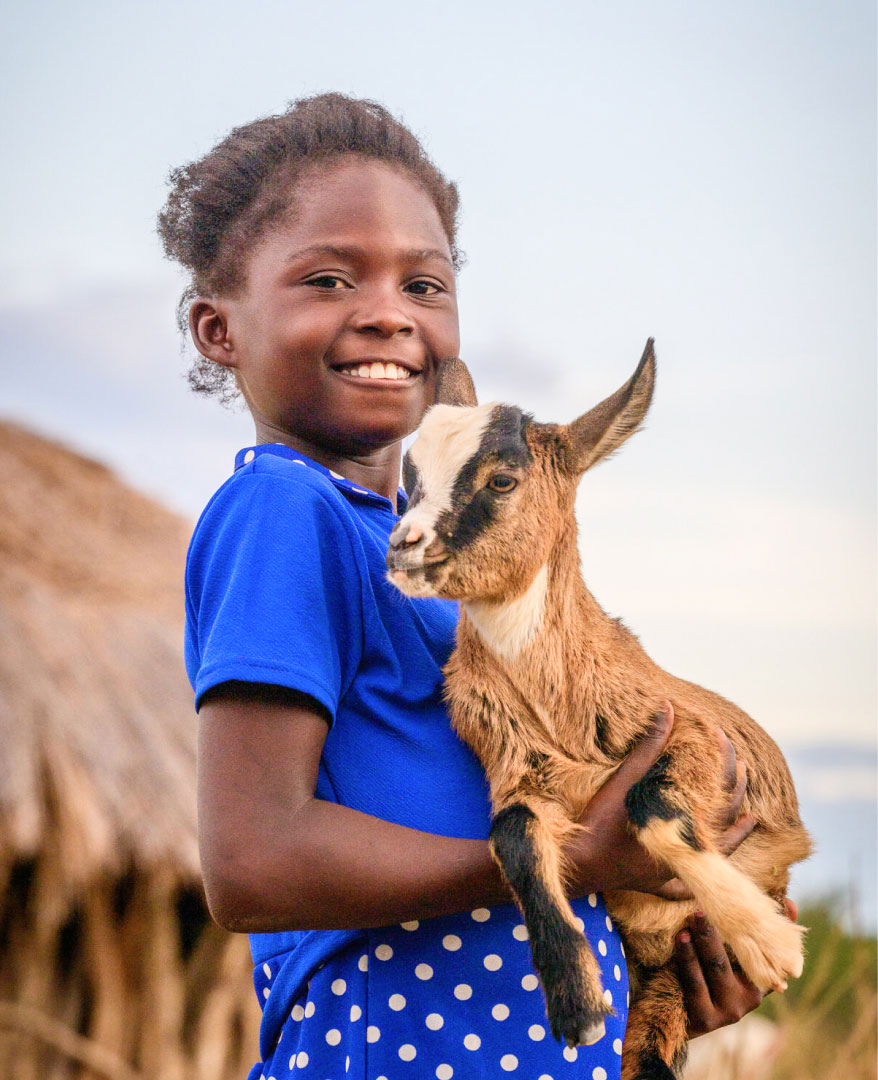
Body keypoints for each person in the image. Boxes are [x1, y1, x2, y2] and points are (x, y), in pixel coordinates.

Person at [159, 93, 790, 1080]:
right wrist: (571, 867)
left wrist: (659, 982)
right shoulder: (285, 511)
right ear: (218, 328)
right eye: (328, 278)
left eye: (424, 283)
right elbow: (253, 860)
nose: (387, 312)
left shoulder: (440, 570)